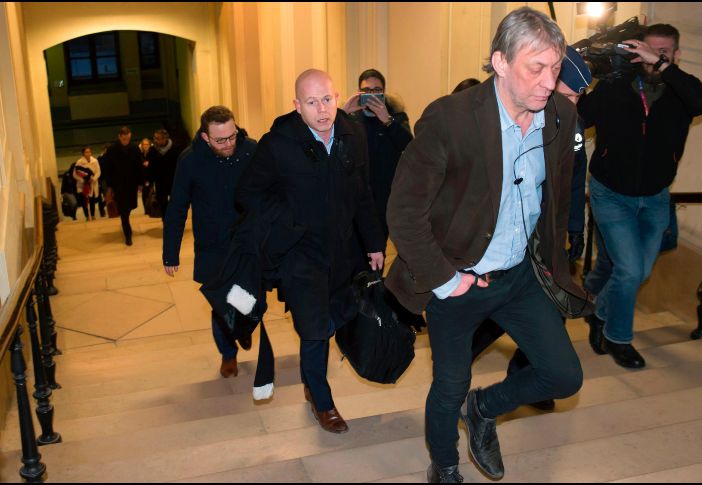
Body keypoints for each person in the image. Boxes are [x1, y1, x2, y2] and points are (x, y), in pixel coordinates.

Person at [386, 8, 589, 482]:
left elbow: (555, 196)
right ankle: (446, 464)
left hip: (519, 277)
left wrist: (552, 262)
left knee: (564, 376)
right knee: (450, 383)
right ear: (499, 62)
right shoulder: (450, 119)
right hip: (457, 277)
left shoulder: (560, 115)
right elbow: (404, 211)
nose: (547, 81)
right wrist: (445, 280)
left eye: (555, 68)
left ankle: (483, 408)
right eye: (534, 68)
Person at [236, 69, 385, 434]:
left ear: (337, 98)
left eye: (327, 100)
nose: (322, 109)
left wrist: (375, 242)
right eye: (312, 102)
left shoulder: (352, 134)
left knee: (338, 316)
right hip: (300, 255)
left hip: (344, 251)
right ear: (297, 105)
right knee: (315, 328)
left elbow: (363, 193)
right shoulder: (278, 143)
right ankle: (322, 400)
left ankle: (311, 374)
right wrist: (288, 223)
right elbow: (247, 194)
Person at [579, 23, 702, 369]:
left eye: (663, 52)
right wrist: (594, 76)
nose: (653, 58)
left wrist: (666, 67)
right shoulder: (617, 85)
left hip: (655, 195)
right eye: (648, 51)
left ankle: (599, 313)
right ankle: (618, 339)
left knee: (636, 272)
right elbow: (581, 115)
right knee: (628, 269)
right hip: (610, 193)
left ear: (676, 55)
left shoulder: (682, 91)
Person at [469, 45, 594, 413]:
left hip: (546, 237)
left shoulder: (571, 122)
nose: (574, 102)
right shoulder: (511, 112)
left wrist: (574, 228)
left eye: (579, 95)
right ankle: (460, 356)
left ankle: (527, 375)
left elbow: (574, 178)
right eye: (569, 93)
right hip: (509, 237)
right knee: (494, 309)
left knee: (548, 308)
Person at [162, 106, 257, 378]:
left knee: (250, 297)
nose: (228, 144)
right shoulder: (190, 161)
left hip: (247, 243)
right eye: (220, 140)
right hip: (212, 247)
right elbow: (178, 207)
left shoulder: (251, 150)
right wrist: (171, 253)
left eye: (232, 136)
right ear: (205, 137)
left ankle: (243, 324)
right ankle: (228, 354)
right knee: (220, 305)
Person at [342, 68, 413, 240]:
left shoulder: (396, 115)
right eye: (366, 91)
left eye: (376, 91)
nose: (371, 95)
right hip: (357, 194)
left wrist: (387, 120)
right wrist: (343, 114)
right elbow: (337, 147)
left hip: (385, 195)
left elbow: (409, 145)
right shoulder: (353, 117)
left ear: (384, 92)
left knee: (378, 246)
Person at [101, 126, 143, 245]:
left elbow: (139, 166)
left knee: (128, 208)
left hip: (131, 183)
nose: (126, 141)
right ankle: (127, 234)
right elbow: (108, 169)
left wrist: (140, 182)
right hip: (118, 184)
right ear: (119, 137)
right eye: (124, 138)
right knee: (123, 210)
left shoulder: (135, 148)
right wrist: (109, 186)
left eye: (128, 138)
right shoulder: (112, 150)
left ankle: (126, 223)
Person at [148, 128, 184, 220]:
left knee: (176, 203)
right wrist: (150, 183)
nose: (155, 140)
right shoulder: (152, 150)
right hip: (160, 182)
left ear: (165, 139)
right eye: (155, 138)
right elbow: (151, 168)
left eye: (158, 138)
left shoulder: (176, 148)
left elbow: (181, 166)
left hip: (174, 181)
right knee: (162, 204)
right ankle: (166, 222)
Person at [73, 146, 102, 221]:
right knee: (84, 201)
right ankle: (87, 216)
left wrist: (93, 179)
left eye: (89, 152)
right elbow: (75, 174)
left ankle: (92, 215)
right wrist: (83, 180)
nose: (88, 153)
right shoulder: (79, 162)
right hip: (83, 184)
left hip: (92, 183)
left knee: (92, 200)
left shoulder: (95, 161)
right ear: (83, 153)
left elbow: (98, 172)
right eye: (86, 152)